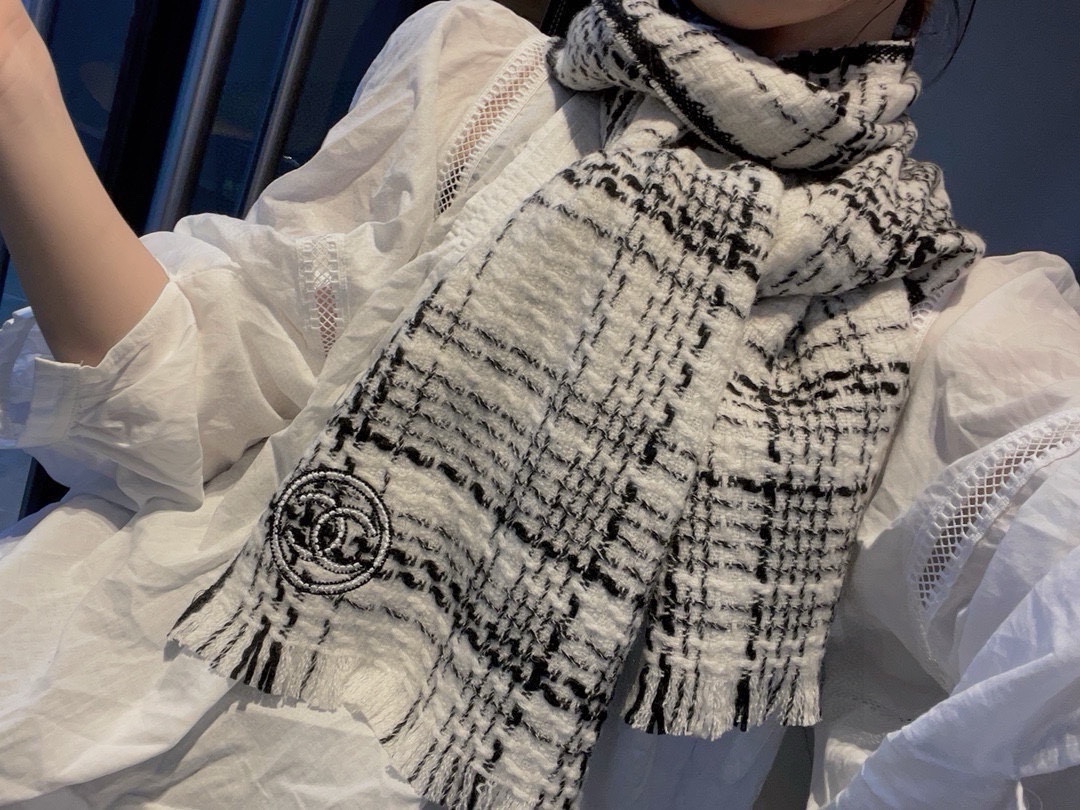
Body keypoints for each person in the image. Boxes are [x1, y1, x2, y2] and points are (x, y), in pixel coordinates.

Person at [0, 0, 1077, 807]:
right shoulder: (481, 81)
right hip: (83, 723)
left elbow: (1048, 640)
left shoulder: (950, 331)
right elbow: (181, 409)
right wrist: (15, 89)